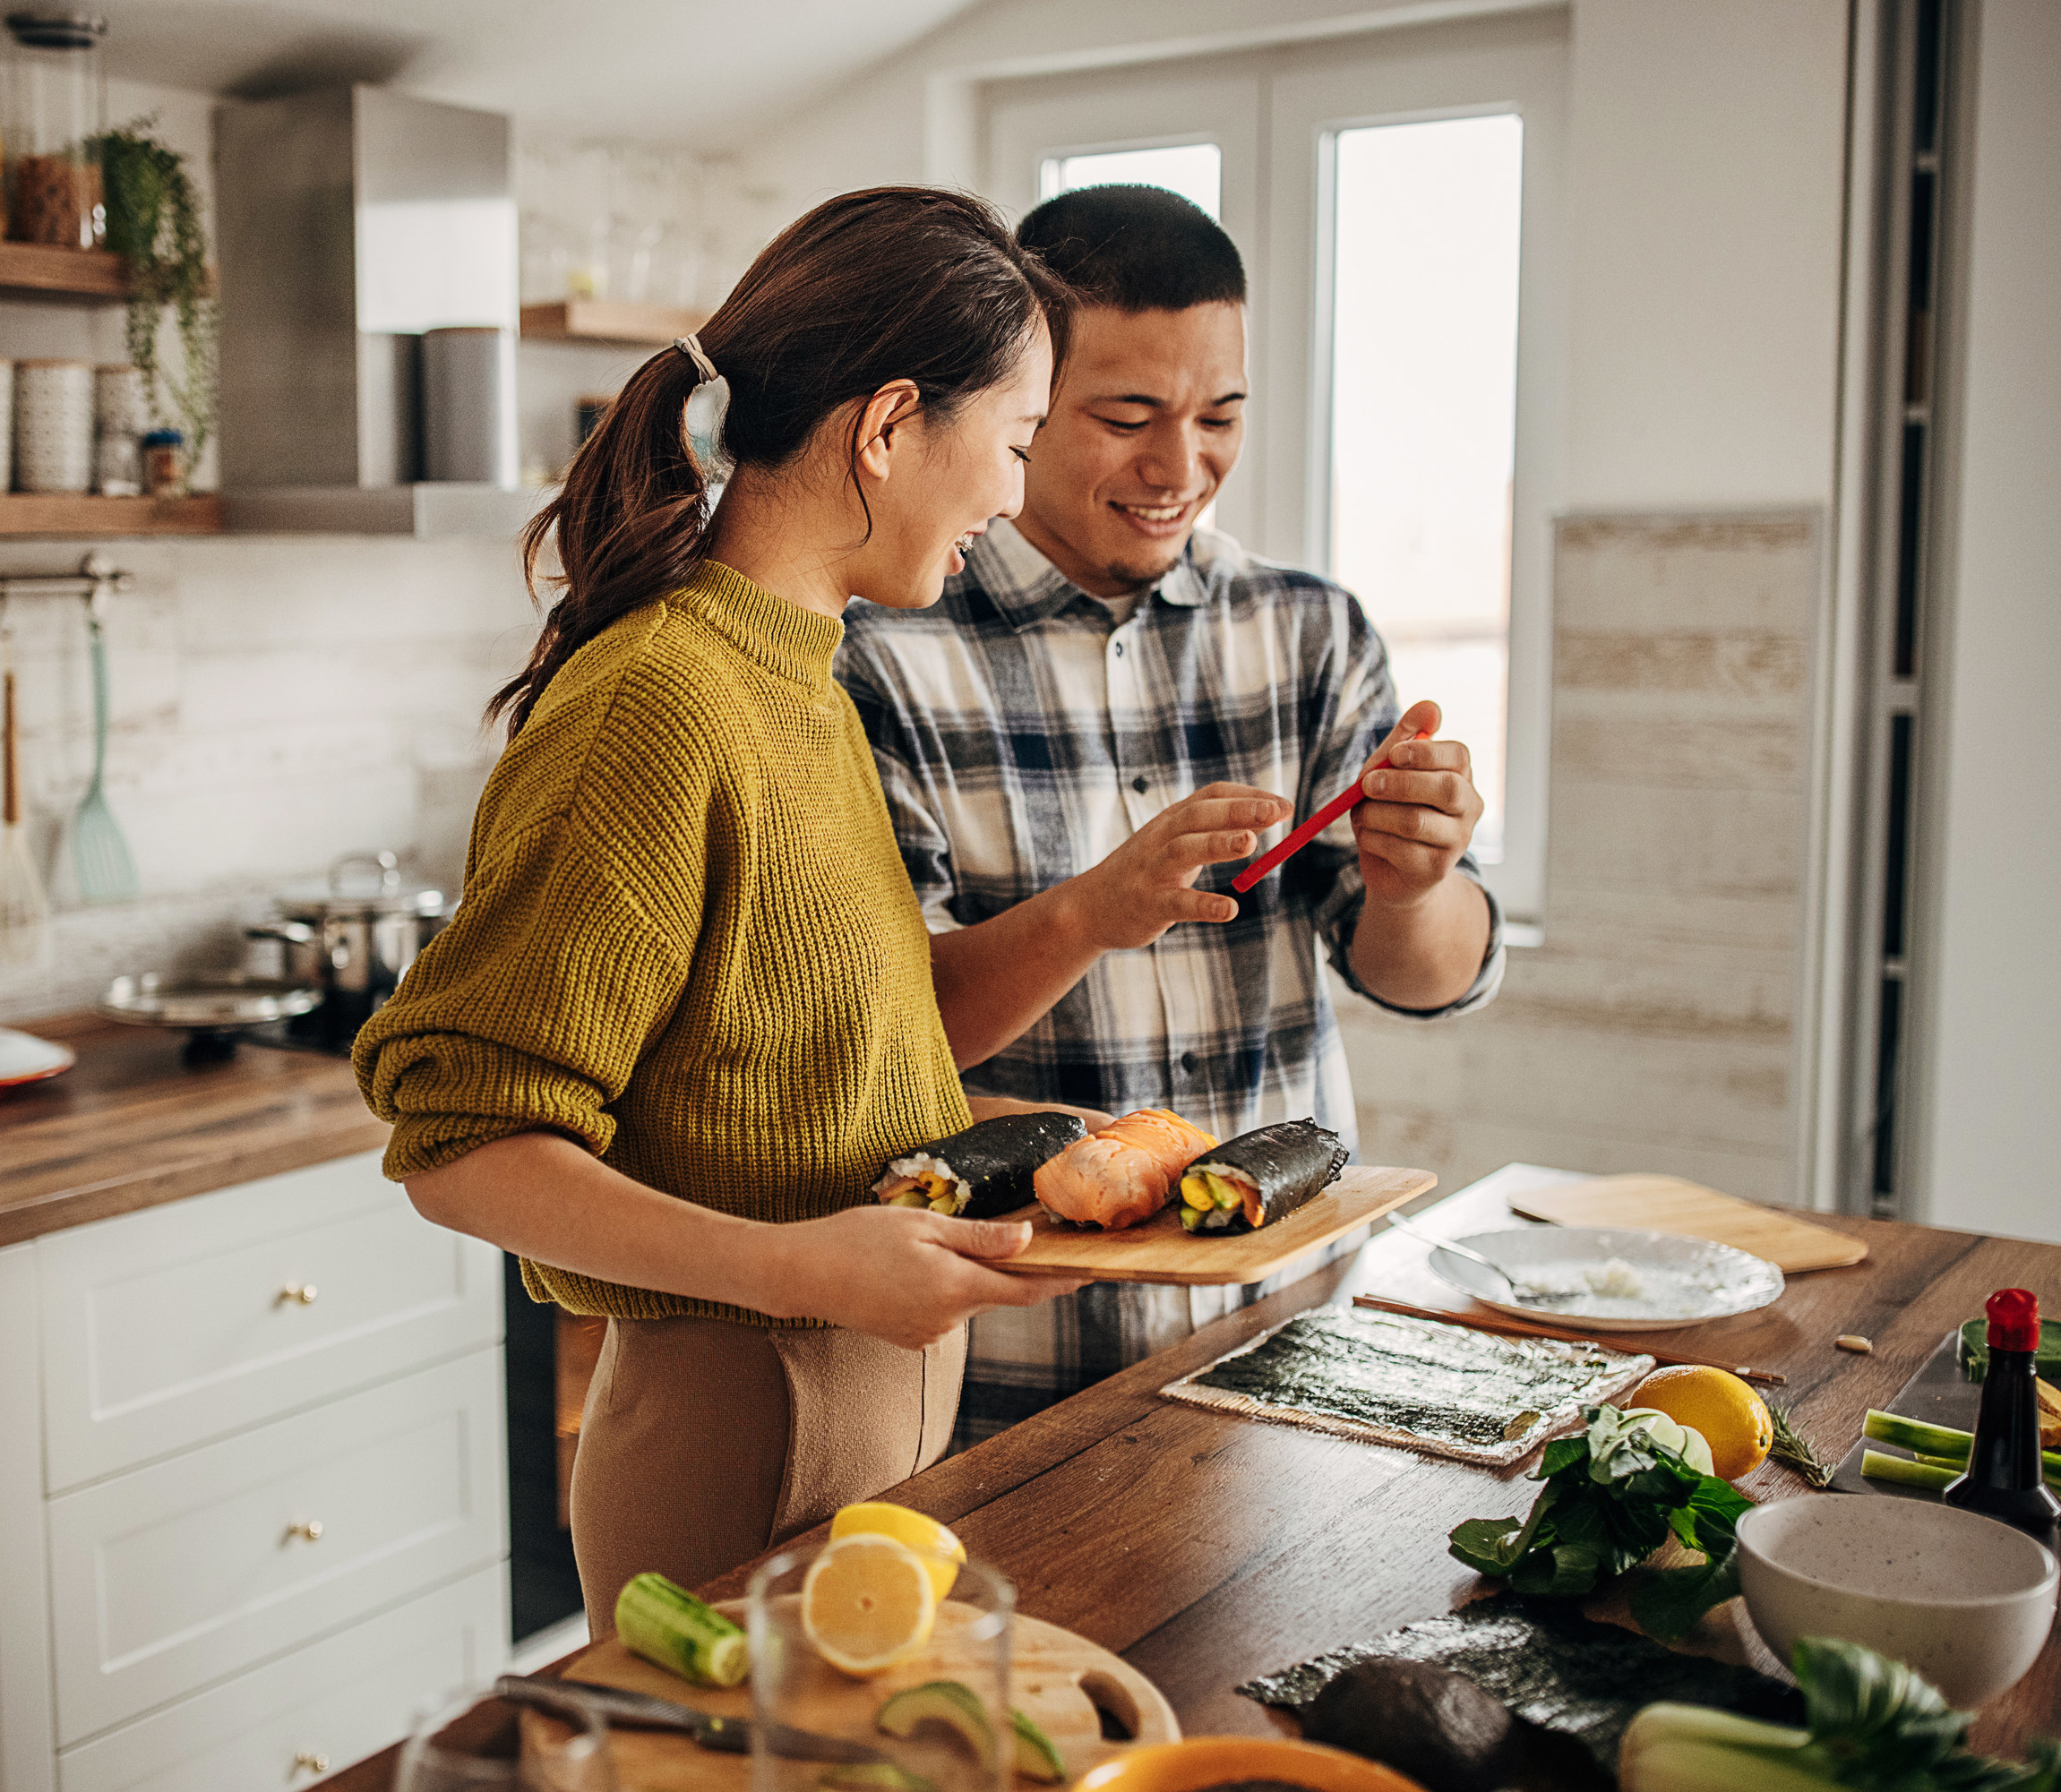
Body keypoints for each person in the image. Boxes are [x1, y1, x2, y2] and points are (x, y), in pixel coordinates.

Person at [355, 186, 1093, 1632]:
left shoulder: (797, 682)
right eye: (1012, 443)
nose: (1015, 497)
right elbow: (460, 1141)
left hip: (864, 1425)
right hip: (740, 1434)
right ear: (887, 428)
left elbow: (813, 1042)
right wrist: (792, 1264)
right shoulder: (657, 701)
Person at [835, 183, 1506, 1446]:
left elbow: (1421, 980)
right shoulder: (887, 654)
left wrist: (1419, 883)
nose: (1179, 467)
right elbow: (895, 1040)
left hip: (1299, 1341)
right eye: (1127, 416)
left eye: (1220, 417)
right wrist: (1091, 913)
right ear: (1020, 397)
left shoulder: (1309, 632)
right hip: (1007, 1370)